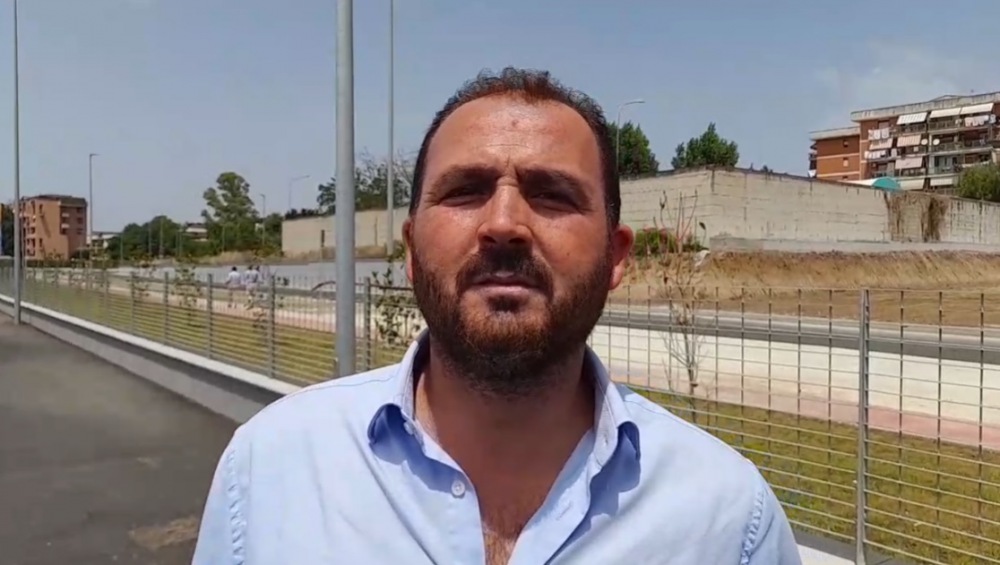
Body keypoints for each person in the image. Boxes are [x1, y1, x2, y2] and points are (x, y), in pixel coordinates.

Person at [193, 68, 802, 564]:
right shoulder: (270, 471)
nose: (505, 223)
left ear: (615, 257)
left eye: (552, 194)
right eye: (465, 190)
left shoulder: (728, 522)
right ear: (411, 250)